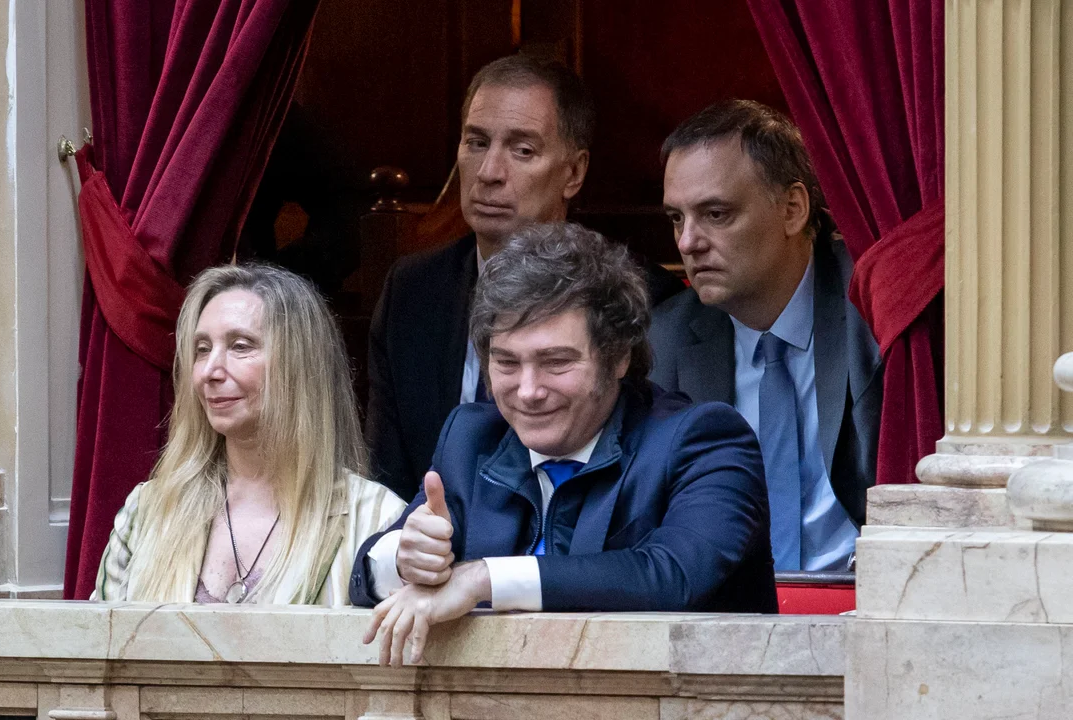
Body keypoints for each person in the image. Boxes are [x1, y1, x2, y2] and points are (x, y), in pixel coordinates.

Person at [352, 222, 777, 667]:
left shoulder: (705, 440)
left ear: (619, 357)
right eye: (507, 363)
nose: (528, 391)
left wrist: (482, 579)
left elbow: (670, 575)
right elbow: (366, 572)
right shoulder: (472, 438)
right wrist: (404, 559)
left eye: (555, 362)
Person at [366, 54, 682, 501]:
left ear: (574, 173)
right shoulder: (413, 290)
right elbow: (386, 480)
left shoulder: (643, 298)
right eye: (476, 143)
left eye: (522, 151)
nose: (489, 173)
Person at [650, 99, 883, 572]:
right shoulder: (663, 340)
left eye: (716, 213)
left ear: (793, 209)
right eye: (677, 218)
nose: (688, 242)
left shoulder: (873, 309)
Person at [91, 263, 405, 604]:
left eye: (240, 346)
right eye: (202, 349)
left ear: (298, 365)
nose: (210, 371)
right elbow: (95, 637)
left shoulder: (377, 521)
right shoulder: (146, 512)